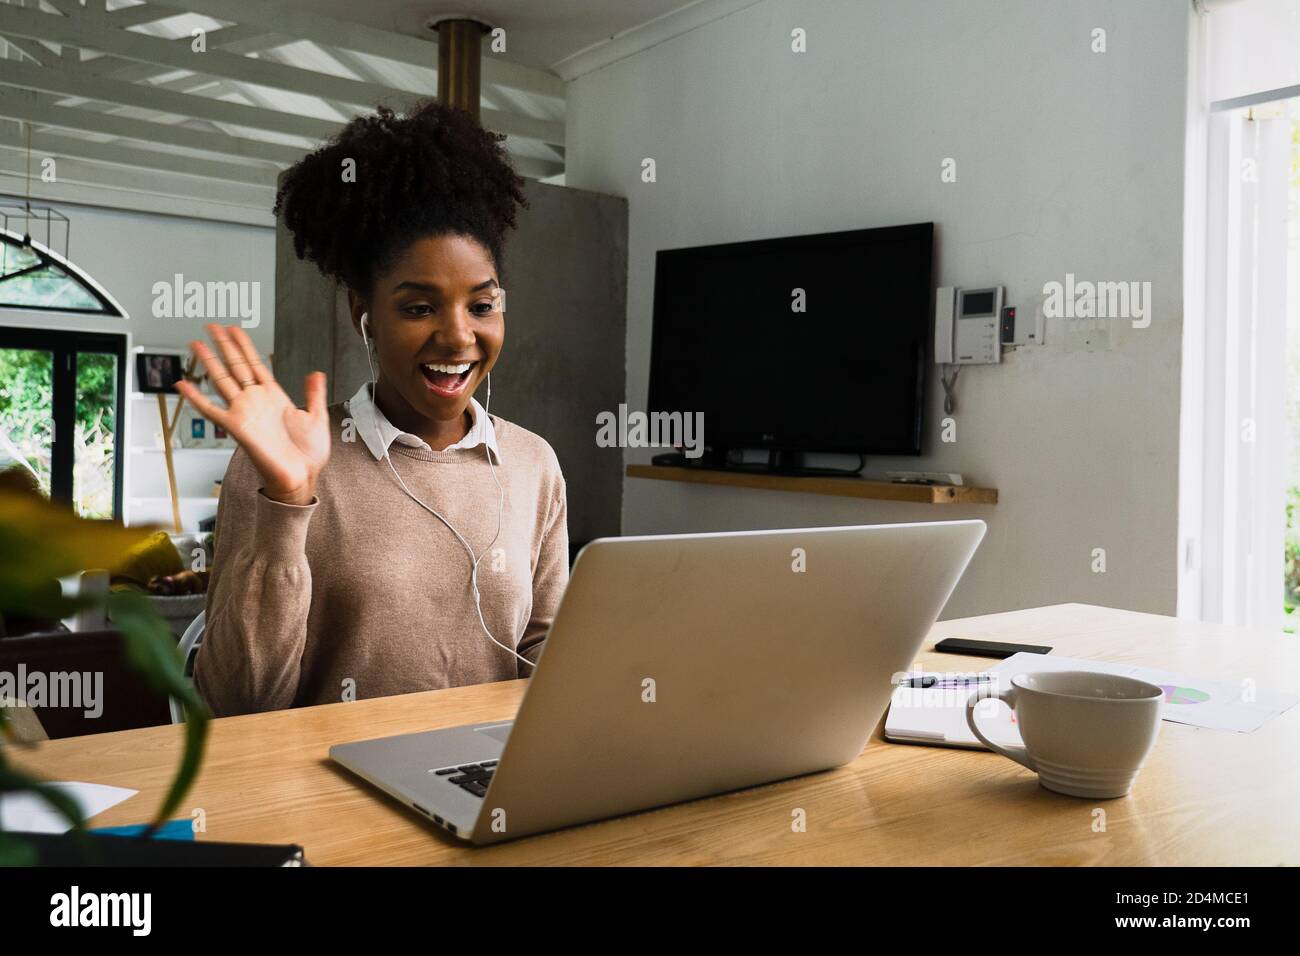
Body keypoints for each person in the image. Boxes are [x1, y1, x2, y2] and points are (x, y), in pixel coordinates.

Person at [178, 101, 568, 717]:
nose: (458, 336)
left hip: (487, 785)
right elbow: (235, 705)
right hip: (327, 791)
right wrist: (286, 502)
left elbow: (540, 651)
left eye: (482, 305)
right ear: (364, 312)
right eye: (419, 308)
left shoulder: (532, 464)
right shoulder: (281, 464)